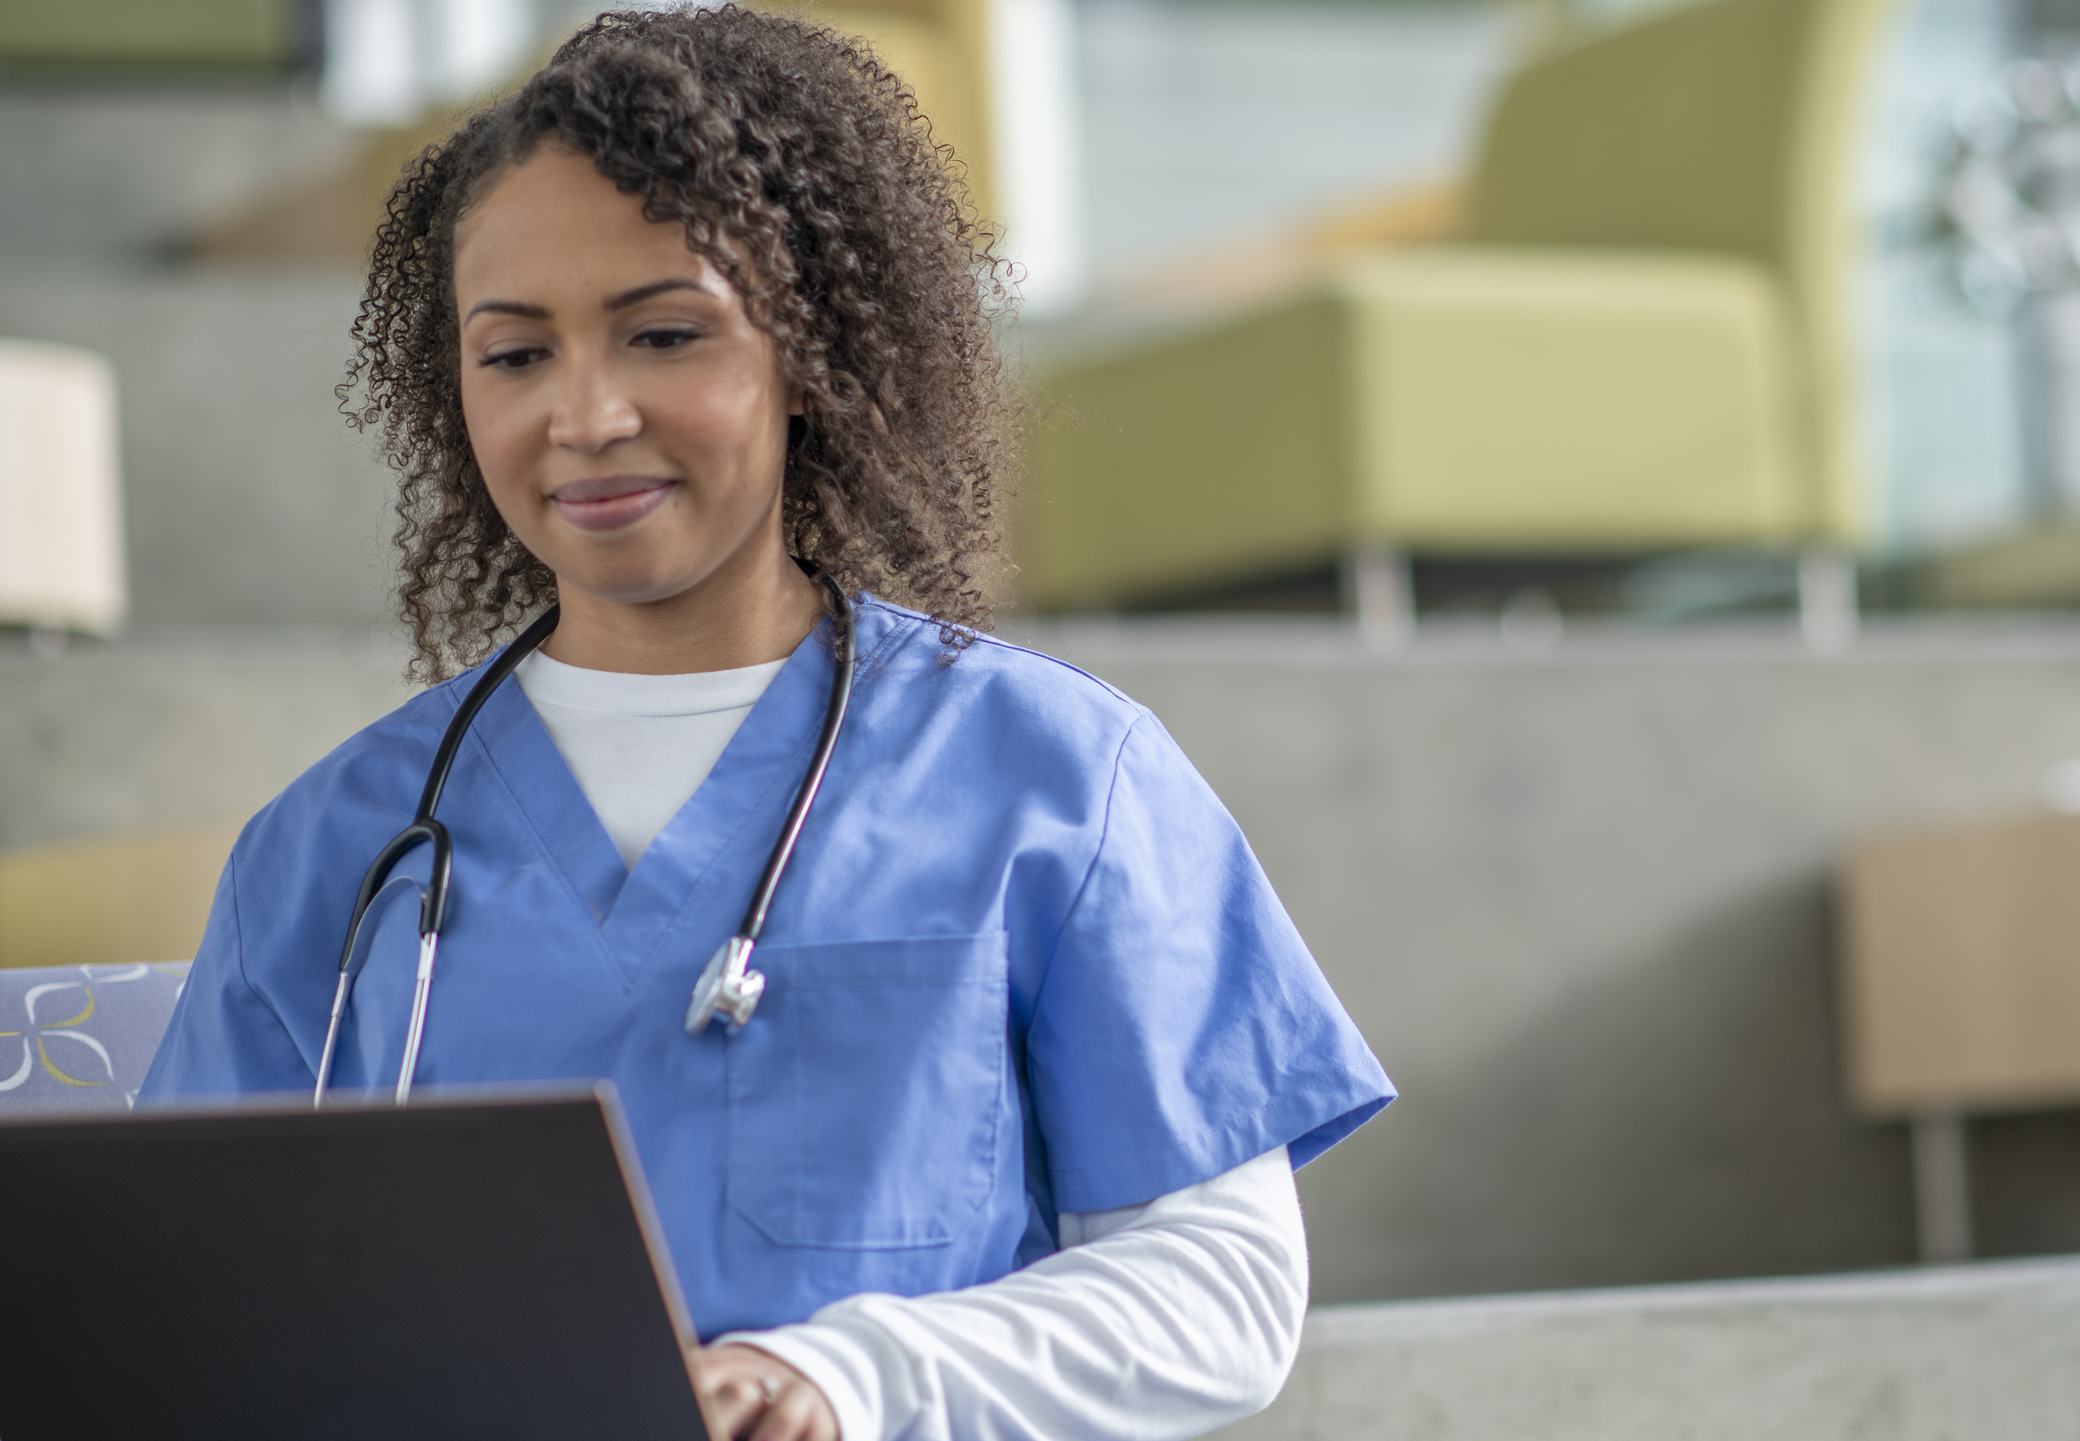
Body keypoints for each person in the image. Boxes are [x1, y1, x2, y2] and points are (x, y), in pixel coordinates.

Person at [140, 8, 1393, 1440]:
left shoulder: (1058, 780)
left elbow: (1218, 1290)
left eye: (665, 334)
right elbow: (187, 1304)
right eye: (516, 355)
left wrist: (850, 1372)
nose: (588, 414)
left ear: (814, 352)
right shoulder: (335, 850)